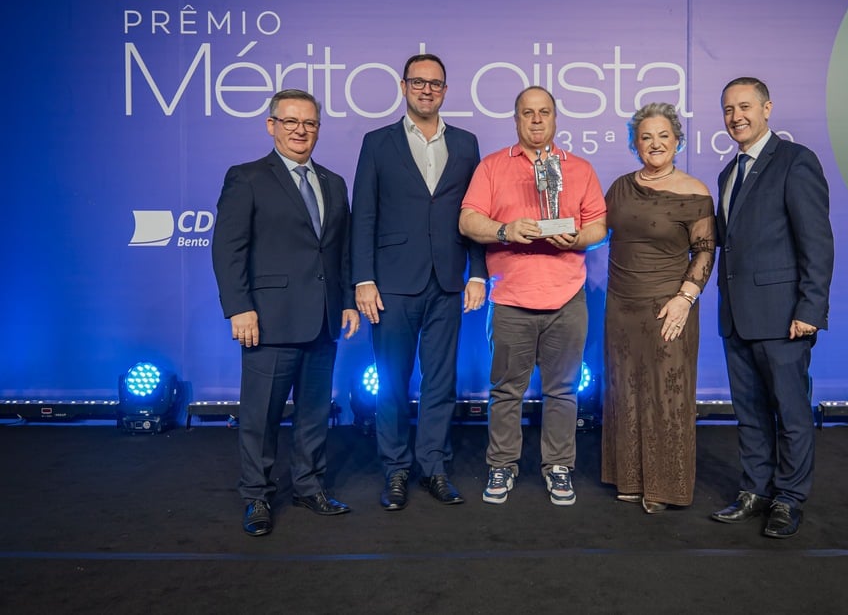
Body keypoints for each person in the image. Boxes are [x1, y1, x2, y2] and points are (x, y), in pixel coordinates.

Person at [211, 88, 360, 537]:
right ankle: (257, 496)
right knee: (261, 417)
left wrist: (349, 300)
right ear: (271, 125)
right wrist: (240, 308)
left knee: (314, 413)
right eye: (291, 121)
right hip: (269, 320)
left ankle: (309, 487)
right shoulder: (247, 177)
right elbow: (228, 249)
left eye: (310, 123)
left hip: (323, 318)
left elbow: (342, 252)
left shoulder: (333, 182)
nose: (301, 130)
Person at [351, 54, 487, 511]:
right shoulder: (377, 142)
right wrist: (364, 279)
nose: (426, 90)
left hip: (447, 281)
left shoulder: (467, 144)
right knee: (391, 383)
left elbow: (475, 216)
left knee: (440, 382)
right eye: (418, 82)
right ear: (403, 86)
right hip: (391, 283)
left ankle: (434, 467)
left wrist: (478, 273)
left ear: (445, 90)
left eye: (435, 84)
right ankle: (395, 470)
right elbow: (363, 216)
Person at [459, 86, 607, 506]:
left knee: (562, 390)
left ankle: (558, 467)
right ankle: (502, 465)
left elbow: (598, 225)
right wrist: (505, 230)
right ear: (517, 119)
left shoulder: (579, 168)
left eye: (544, 113)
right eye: (528, 113)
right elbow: (469, 220)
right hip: (510, 299)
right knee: (506, 390)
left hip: (567, 298)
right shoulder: (491, 167)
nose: (537, 120)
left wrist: (578, 238)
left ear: (556, 119)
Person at [710, 77, 834, 538]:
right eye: (727, 109)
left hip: (785, 316)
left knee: (791, 412)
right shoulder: (728, 173)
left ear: (767, 108)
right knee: (750, 412)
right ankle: (755, 490)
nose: (735, 116)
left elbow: (816, 244)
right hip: (736, 317)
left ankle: (789, 498)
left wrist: (810, 308)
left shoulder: (795, 161)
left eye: (744, 106)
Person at [601, 102, 716, 514]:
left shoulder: (696, 191)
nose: (655, 143)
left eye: (663, 135)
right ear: (635, 143)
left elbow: (705, 251)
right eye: (646, 136)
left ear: (677, 140)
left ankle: (665, 486)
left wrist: (685, 299)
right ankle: (629, 478)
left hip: (669, 306)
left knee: (667, 395)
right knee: (624, 390)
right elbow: (597, 232)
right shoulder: (618, 187)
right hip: (620, 304)